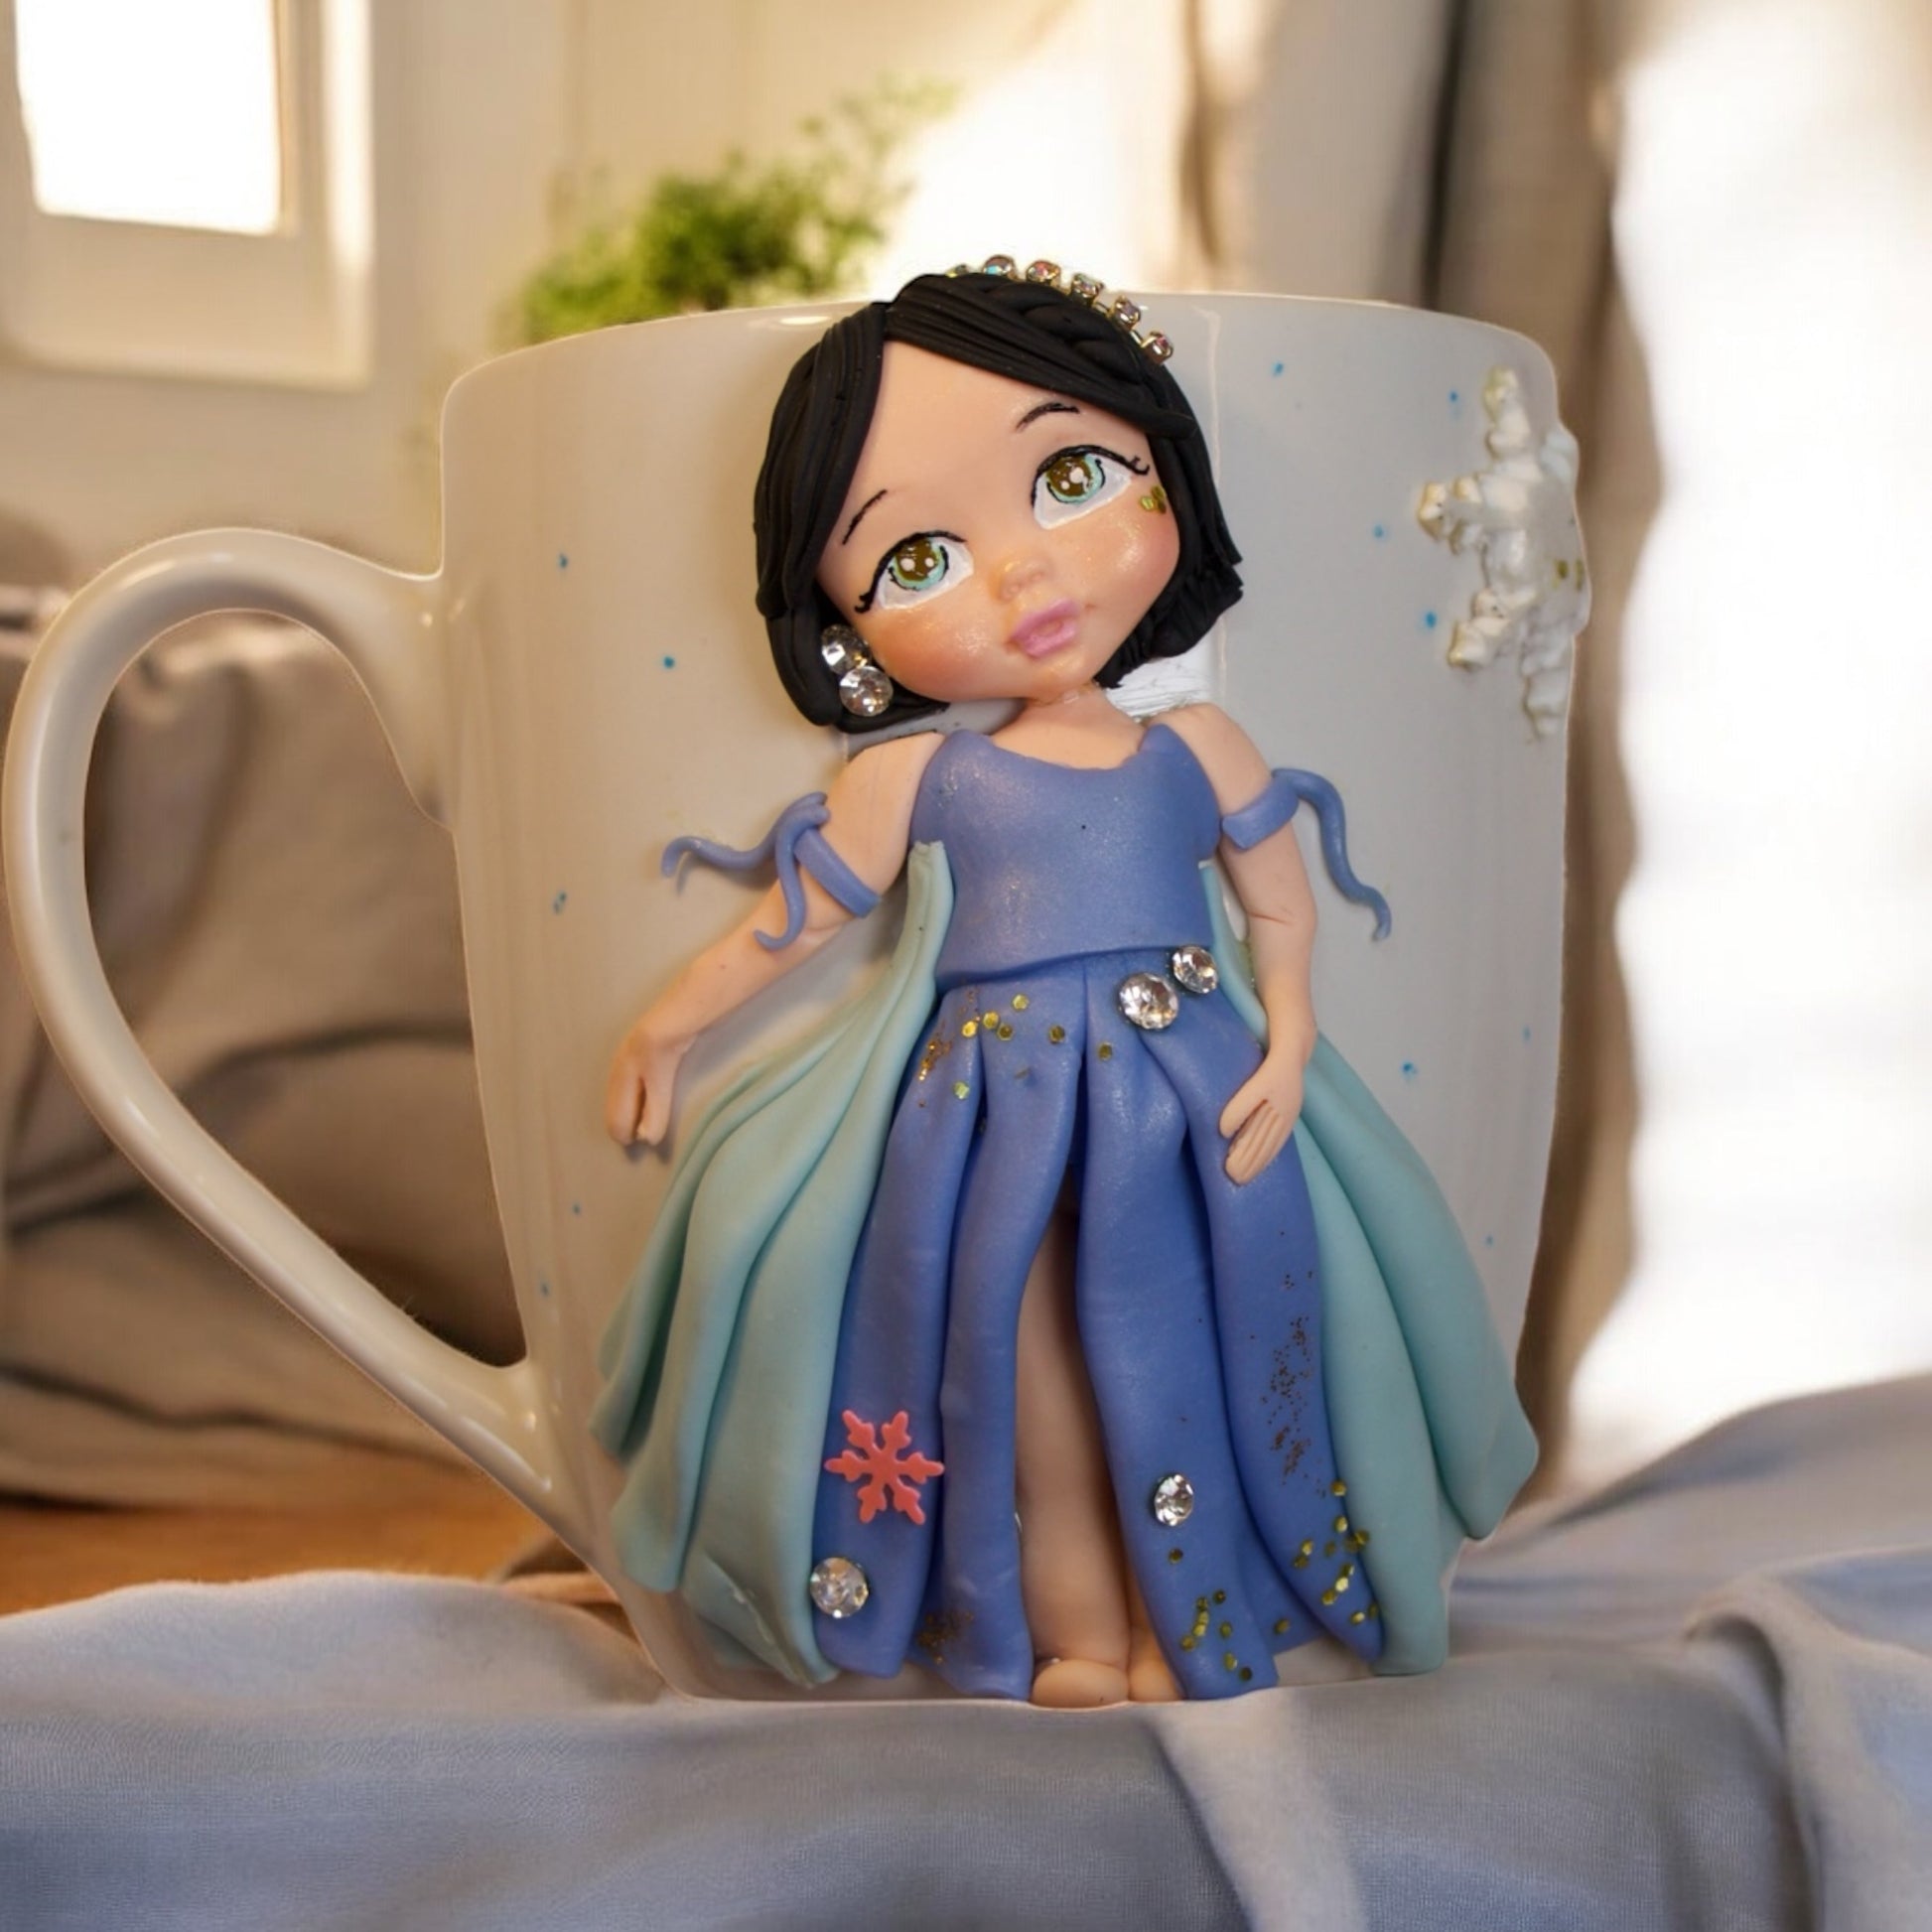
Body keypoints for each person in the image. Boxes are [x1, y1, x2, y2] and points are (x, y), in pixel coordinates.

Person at [592, 262, 1535, 1706]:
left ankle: (1189, 1628)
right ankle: (1074, 1632)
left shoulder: (1195, 748)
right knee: (1022, 1381)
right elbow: (797, 920)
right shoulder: (915, 774)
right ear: (840, 623)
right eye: (917, 558)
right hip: (992, 1124)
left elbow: (1280, 907)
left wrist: (1287, 1046)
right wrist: (667, 1024)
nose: (1022, 578)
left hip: (1189, 1102)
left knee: (1186, 1354)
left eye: (1073, 478)